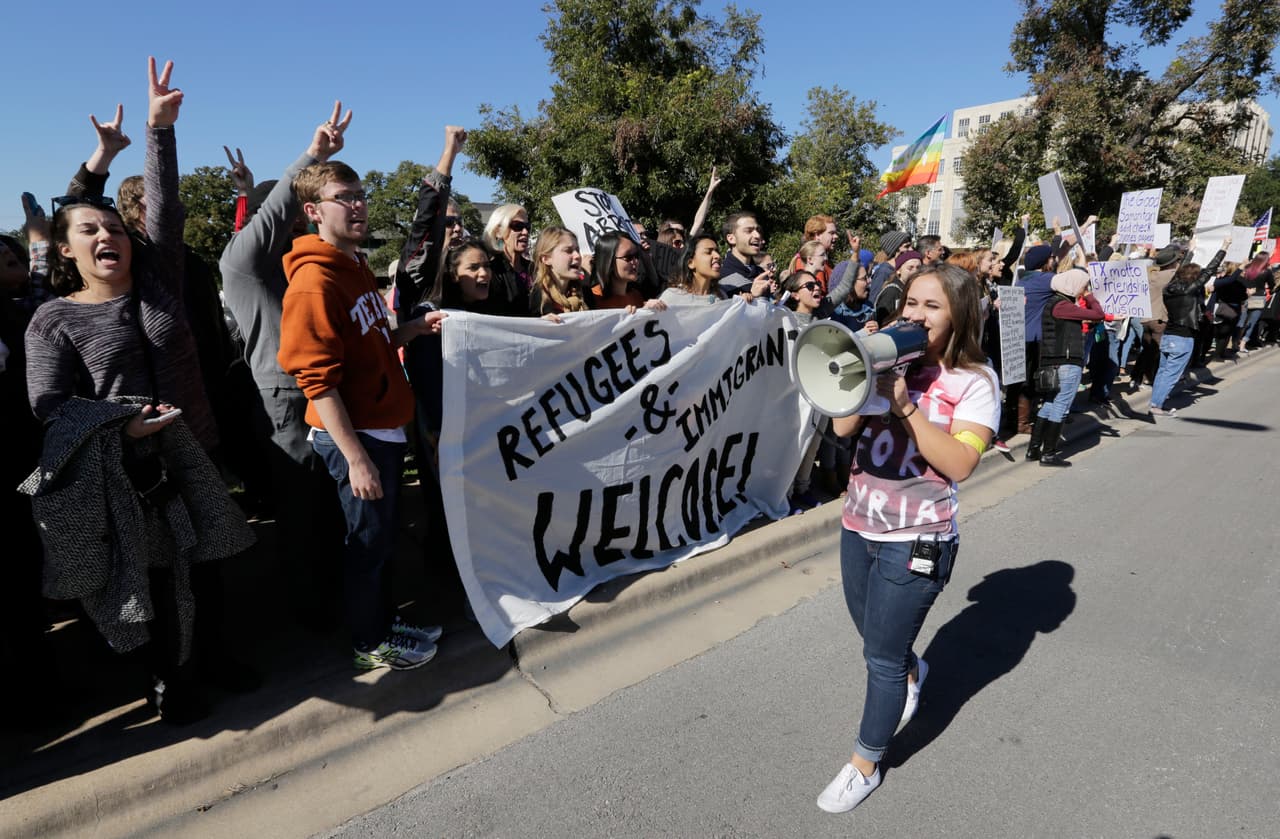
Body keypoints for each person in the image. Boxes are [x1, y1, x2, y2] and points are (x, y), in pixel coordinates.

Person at [24, 58, 255, 723]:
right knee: (151, 580)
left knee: (206, 564)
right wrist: (121, 429)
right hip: (128, 471)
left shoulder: (159, 283)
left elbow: (167, 207)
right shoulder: (55, 318)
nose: (107, 236)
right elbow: (49, 407)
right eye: (90, 230)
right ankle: (166, 682)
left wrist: (160, 131)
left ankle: (214, 659)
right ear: (65, 250)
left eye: (116, 229)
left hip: (195, 451)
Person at [818, 263, 998, 814]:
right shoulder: (890, 361)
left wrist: (907, 406)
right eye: (910, 304)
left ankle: (865, 763)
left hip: (918, 538)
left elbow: (961, 462)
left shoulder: (975, 382)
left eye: (931, 307)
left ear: (960, 315)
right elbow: (842, 429)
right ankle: (911, 670)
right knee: (875, 639)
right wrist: (861, 380)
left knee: (881, 658)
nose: (914, 315)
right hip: (858, 526)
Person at [277, 158, 446, 671]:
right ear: (313, 211)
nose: (357, 205)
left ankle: (384, 622)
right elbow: (317, 381)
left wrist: (408, 333)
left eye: (359, 194)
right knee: (367, 546)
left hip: (381, 430)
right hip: (358, 440)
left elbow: (368, 349)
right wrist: (356, 459)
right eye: (343, 197)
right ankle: (370, 643)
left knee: (380, 541)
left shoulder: (353, 267)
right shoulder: (312, 283)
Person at [220, 103, 352, 630]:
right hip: (286, 404)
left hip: (331, 393)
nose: (300, 221)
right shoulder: (243, 266)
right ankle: (312, 612)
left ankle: (341, 594)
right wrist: (313, 155)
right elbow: (269, 214)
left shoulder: (307, 264)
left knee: (334, 503)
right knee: (302, 509)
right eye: (295, 212)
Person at [1027, 267, 1113, 466]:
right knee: (1061, 406)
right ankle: (1048, 454)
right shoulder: (1062, 305)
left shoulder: (1053, 304)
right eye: (1083, 284)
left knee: (1049, 404)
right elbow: (1097, 314)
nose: (1084, 288)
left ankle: (1034, 450)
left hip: (1053, 362)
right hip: (1066, 362)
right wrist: (1090, 296)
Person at [1150, 235, 1228, 418]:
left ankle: (1155, 400)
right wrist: (1224, 247)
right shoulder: (1190, 289)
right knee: (1171, 374)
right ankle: (1156, 405)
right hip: (1183, 338)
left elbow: (1179, 271)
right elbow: (1210, 269)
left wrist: (1191, 250)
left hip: (1169, 335)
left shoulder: (1169, 288)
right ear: (1194, 278)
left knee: (1163, 371)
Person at [480, 204, 532, 315]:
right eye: (517, 226)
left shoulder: (535, 268)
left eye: (527, 227)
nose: (525, 232)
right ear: (498, 231)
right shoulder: (491, 271)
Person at [529, 226, 590, 317]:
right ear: (546, 259)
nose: (577, 255)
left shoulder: (585, 292)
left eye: (577, 250)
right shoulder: (534, 297)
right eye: (568, 251)